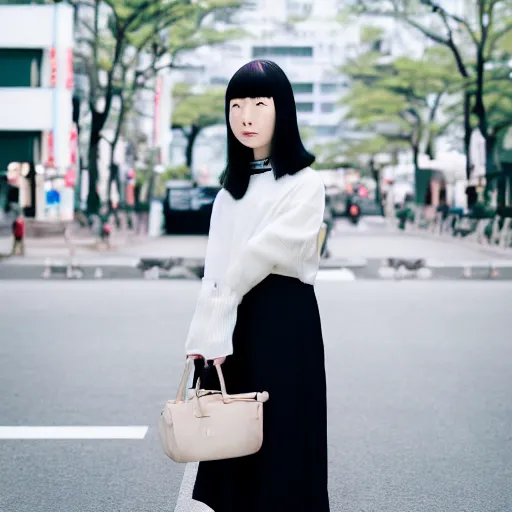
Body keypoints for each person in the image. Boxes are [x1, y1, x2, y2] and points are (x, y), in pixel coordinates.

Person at [181, 60, 330, 512]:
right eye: (236, 105)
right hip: (236, 326)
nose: (246, 116)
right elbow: (215, 268)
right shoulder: (229, 193)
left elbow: (262, 253)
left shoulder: (305, 184)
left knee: (286, 437)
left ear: (282, 111)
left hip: (285, 320)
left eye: (260, 104)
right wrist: (202, 336)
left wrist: (219, 313)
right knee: (234, 445)